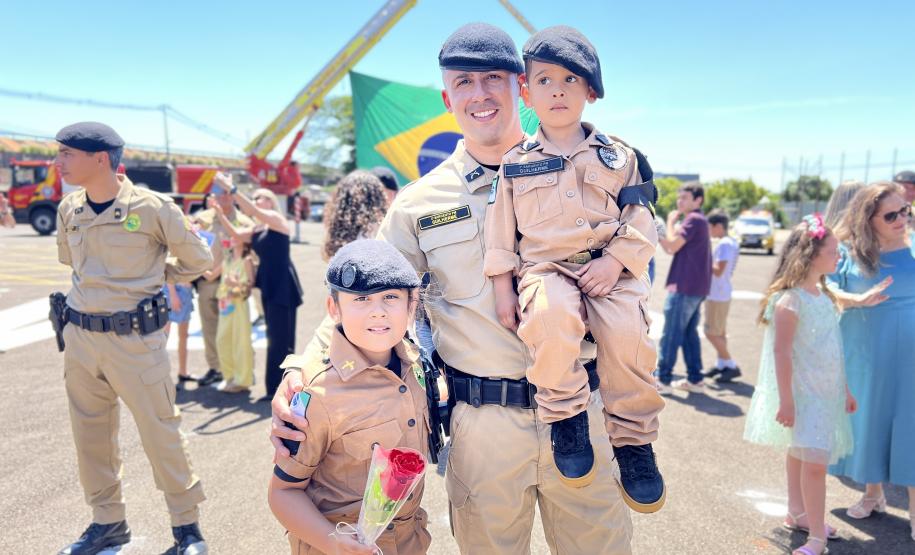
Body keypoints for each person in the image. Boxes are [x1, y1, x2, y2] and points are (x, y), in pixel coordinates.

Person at [273, 23, 634, 555]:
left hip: (581, 411)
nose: (480, 93)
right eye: (464, 81)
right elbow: (364, 298)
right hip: (483, 424)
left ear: (522, 89)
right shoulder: (419, 203)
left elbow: (631, 272)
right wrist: (302, 373)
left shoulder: (588, 170)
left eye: (494, 77)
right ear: (448, 97)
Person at [483, 25, 664, 510]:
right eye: (543, 80)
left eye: (570, 79)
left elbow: (643, 217)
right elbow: (501, 234)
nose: (557, 90)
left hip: (611, 271)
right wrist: (504, 288)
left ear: (591, 91)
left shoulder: (622, 156)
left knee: (629, 336)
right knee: (548, 316)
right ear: (526, 91)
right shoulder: (515, 163)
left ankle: (634, 443)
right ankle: (566, 419)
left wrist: (616, 262)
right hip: (547, 270)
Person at [53, 122, 211, 554]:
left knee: (161, 432)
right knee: (91, 437)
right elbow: (73, 265)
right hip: (81, 340)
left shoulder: (155, 207)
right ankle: (107, 523)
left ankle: (186, 529)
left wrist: (157, 279)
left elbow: (199, 257)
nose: (58, 161)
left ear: (99, 158)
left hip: (135, 340)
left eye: (66, 153)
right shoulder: (70, 208)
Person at [268, 239, 430, 555]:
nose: (378, 312)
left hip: (409, 541)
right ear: (334, 309)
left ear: (411, 305)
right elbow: (283, 493)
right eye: (362, 299)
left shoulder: (416, 364)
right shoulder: (316, 392)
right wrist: (333, 541)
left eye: (391, 298)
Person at [744, 214, 856, 555]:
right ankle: (817, 539)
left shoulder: (822, 295)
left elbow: (834, 349)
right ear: (810, 253)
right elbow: (782, 353)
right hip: (805, 397)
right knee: (815, 465)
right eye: (833, 251)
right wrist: (787, 401)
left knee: (799, 454)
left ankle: (799, 513)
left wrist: (846, 389)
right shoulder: (791, 300)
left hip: (827, 395)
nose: (839, 257)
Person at [827, 181, 915, 542]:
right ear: (869, 219)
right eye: (891, 214)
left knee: (909, 427)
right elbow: (824, 286)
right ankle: (873, 494)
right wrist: (854, 299)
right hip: (863, 353)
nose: (902, 219)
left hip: (908, 356)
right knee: (870, 422)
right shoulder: (850, 252)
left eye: (905, 211)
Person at [214, 176, 303, 401]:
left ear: (272, 201)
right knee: (275, 338)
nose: (257, 200)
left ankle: (279, 389)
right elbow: (236, 235)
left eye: (262, 197)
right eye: (255, 197)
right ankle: (277, 388)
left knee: (281, 340)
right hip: (269, 286)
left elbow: (252, 209)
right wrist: (220, 214)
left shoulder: (276, 219)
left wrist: (231, 189)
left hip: (282, 285)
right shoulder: (258, 227)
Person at [193, 179, 254, 387]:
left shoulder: (244, 221)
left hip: (234, 284)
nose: (223, 197)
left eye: (227, 193)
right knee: (210, 328)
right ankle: (216, 368)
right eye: (218, 193)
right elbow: (190, 245)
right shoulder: (202, 219)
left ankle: (241, 371)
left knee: (237, 332)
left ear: (233, 195)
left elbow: (252, 252)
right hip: (208, 281)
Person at [655, 183, 712, 395]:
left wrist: (667, 224)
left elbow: (671, 246)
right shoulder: (698, 221)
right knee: (688, 334)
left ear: (698, 200)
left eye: (685, 198)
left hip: (684, 286)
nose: (680, 202)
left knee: (671, 333)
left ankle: (663, 379)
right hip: (695, 287)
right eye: (680, 198)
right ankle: (695, 379)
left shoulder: (694, 220)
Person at [702, 210, 741, 382]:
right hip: (721, 292)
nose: (709, 231)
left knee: (711, 333)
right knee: (720, 332)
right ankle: (721, 364)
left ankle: (731, 365)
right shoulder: (730, 242)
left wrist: (703, 257)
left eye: (710, 227)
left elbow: (718, 271)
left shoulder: (724, 244)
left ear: (718, 226)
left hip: (717, 294)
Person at [213, 235, 255, 394]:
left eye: (237, 235)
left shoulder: (247, 260)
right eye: (231, 235)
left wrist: (235, 284)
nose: (233, 238)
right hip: (225, 305)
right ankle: (230, 376)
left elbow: (250, 284)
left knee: (240, 341)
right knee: (222, 340)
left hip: (239, 305)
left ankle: (242, 381)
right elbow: (210, 275)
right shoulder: (227, 260)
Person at [162, 281, 197, 386]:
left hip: (186, 290)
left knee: (184, 336)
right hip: (172, 290)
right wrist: (173, 295)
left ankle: (183, 372)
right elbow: (169, 269)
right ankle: (163, 377)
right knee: (164, 337)